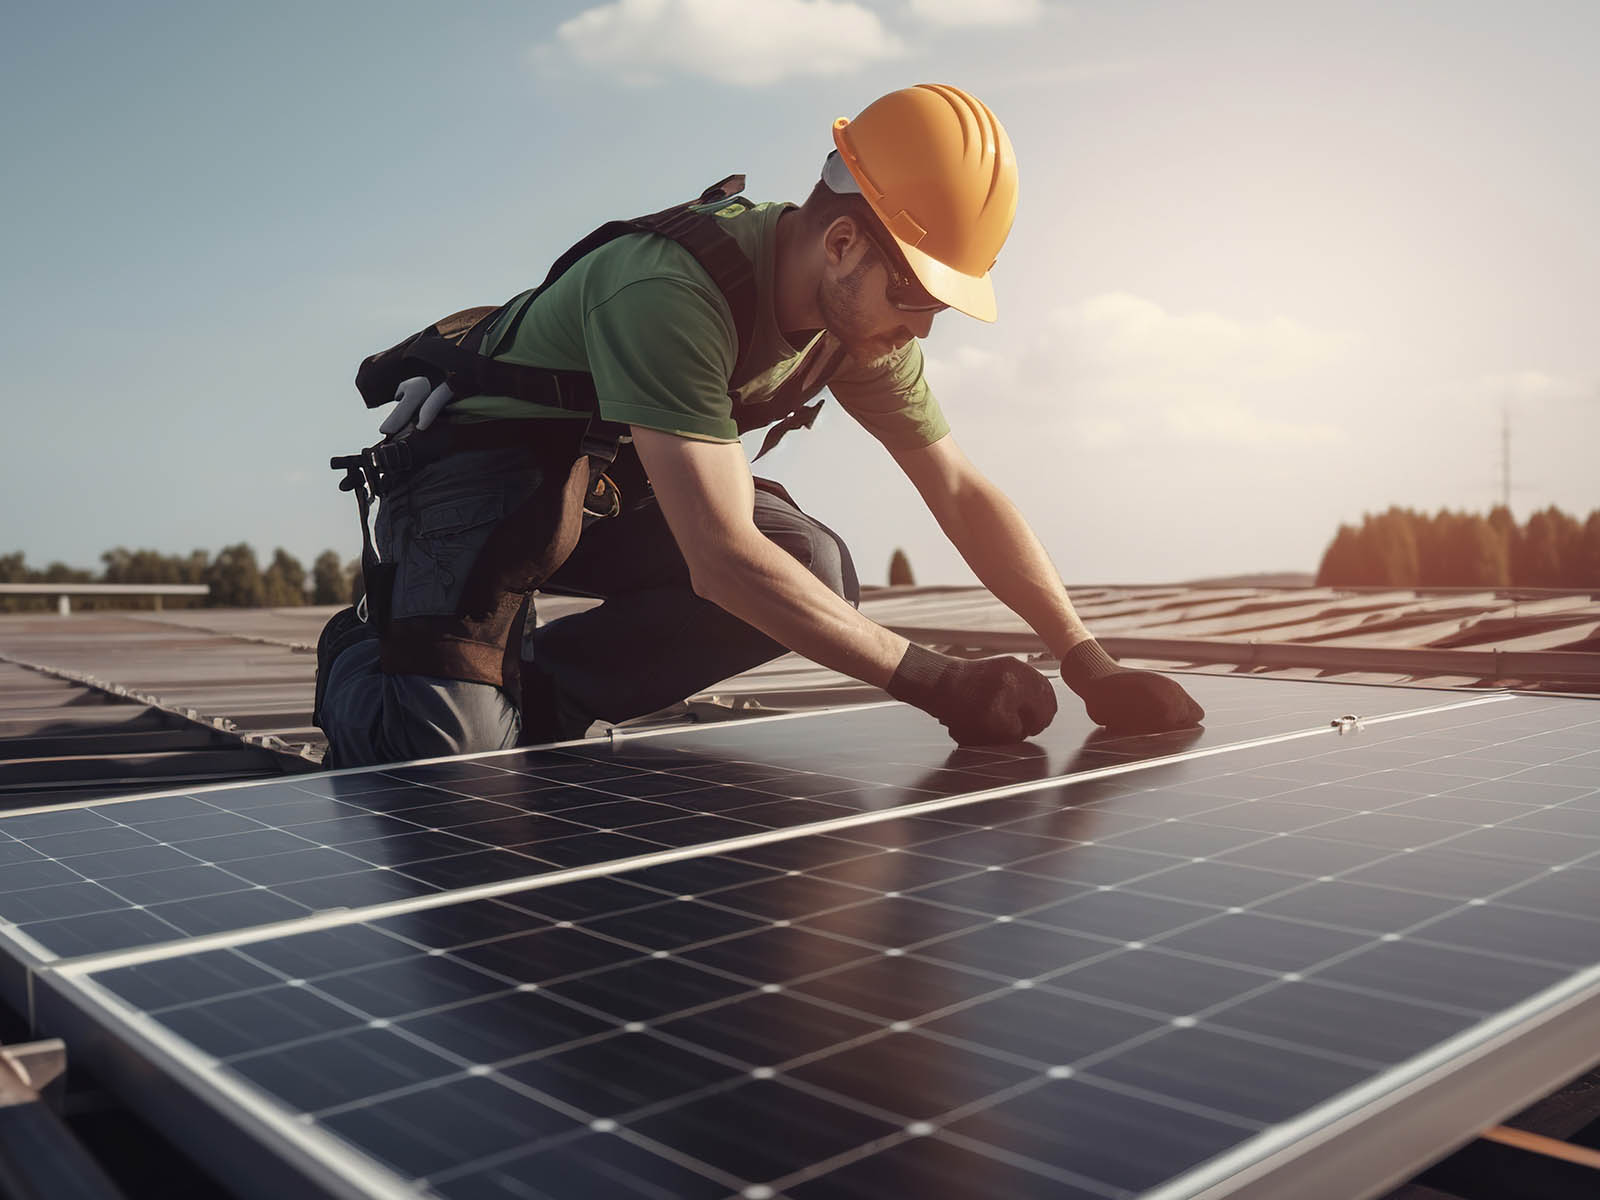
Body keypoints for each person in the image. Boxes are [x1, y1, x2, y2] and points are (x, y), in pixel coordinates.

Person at [315, 83, 1203, 768]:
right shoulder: (670, 292)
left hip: (614, 482)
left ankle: (536, 695)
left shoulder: (856, 322)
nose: (924, 324)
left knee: (814, 569)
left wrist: (1090, 664)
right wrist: (940, 684)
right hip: (479, 480)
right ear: (845, 244)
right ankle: (362, 653)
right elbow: (721, 557)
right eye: (917, 294)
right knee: (442, 771)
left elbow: (961, 492)